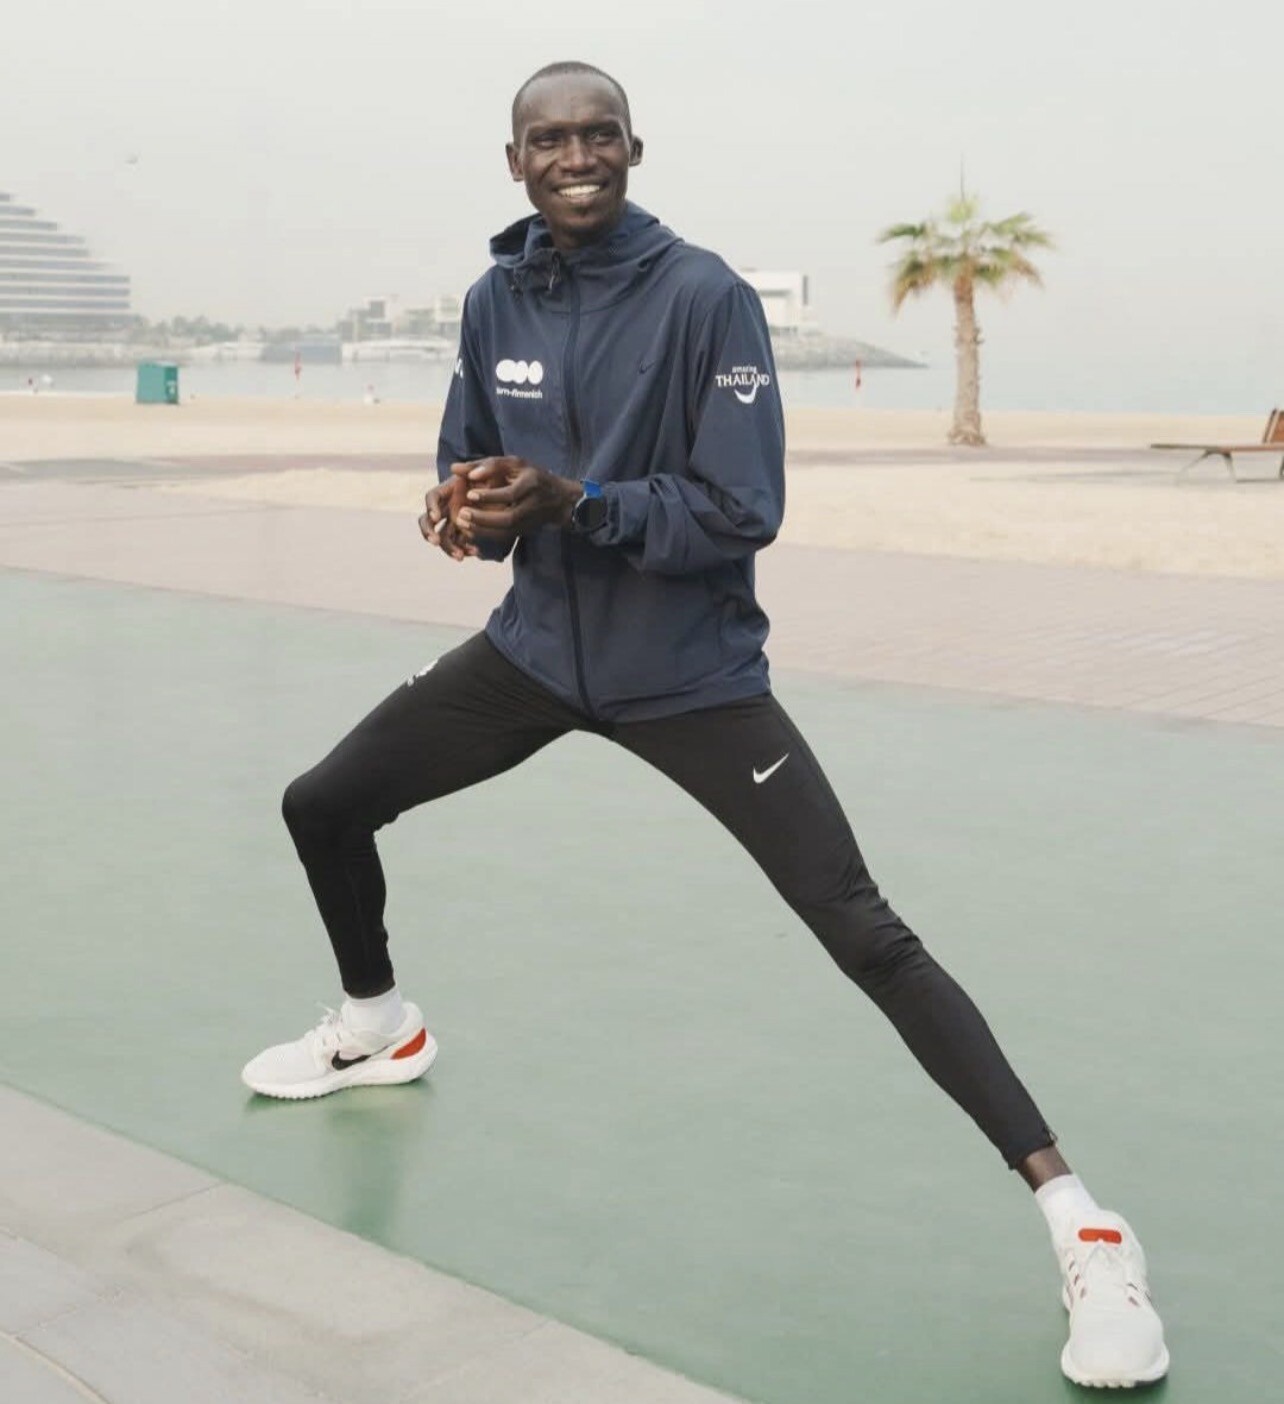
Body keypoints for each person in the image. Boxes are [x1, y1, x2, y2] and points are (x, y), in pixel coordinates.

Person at [241, 61, 1169, 1389]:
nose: (575, 157)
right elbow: (475, 460)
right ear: (514, 161)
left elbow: (741, 510)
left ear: (634, 148)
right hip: (534, 657)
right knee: (323, 803)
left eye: (598, 135)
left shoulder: (704, 297)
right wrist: (464, 509)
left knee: (865, 932)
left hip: (691, 677)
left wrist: (575, 502)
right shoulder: (495, 297)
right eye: (549, 139)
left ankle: (1084, 1225)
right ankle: (378, 1021)